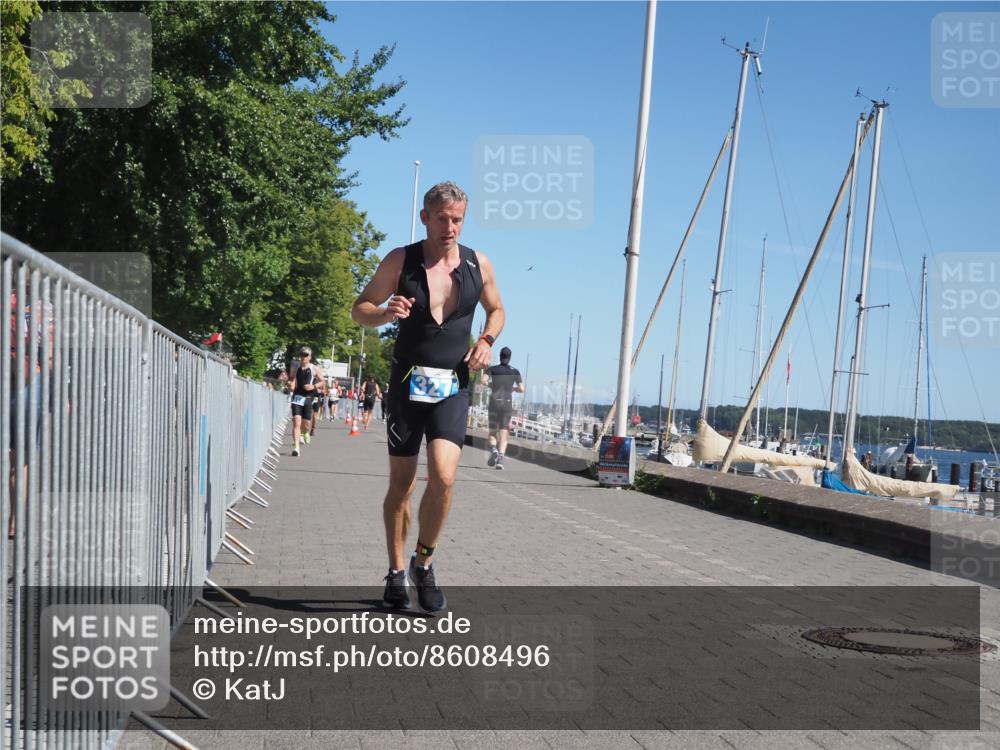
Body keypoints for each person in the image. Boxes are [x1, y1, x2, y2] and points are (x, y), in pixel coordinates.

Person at [352, 181, 504, 612]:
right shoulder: (402, 260)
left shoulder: (479, 264)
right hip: (406, 385)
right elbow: (359, 307)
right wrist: (383, 313)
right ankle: (396, 570)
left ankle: (425, 560)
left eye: (457, 219)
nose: (450, 227)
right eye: (441, 218)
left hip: (452, 384)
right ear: (425, 218)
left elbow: (497, 309)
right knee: (400, 485)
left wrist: (488, 339)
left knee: (445, 476)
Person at [483, 346, 524, 470]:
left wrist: (492, 385)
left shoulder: (493, 369)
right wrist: (512, 389)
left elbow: (483, 381)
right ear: (510, 358)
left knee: (492, 432)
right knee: (504, 434)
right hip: (507, 404)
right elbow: (522, 389)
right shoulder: (515, 371)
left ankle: (494, 450)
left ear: (500, 356)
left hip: (495, 402)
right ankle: (500, 460)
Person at [286, 347, 317, 456]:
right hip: (297, 397)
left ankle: (305, 432)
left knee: (306, 424)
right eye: (302, 355)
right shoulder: (296, 367)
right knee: (296, 422)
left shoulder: (314, 369)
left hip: (308, 398)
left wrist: (313, 386)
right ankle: (296, 447)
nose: (303, 357)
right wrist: (290, 385)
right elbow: (291, 380)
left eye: (306, 355)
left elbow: (322, 382)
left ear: (310, 357)